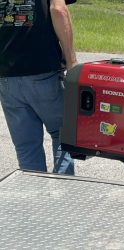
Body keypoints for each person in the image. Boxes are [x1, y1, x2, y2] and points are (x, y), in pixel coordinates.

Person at [0, 0, 77, 175]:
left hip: (6, 74)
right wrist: (71, 60)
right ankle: (64, 194)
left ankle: (36, 197)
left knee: (26, 146)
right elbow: (58, 10)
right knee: (63, 135)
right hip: (43, 69)